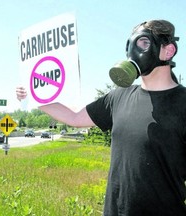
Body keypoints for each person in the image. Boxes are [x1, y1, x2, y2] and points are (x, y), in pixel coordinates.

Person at [16, 20, 186, 215]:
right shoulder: (119, 96)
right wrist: (34, 94)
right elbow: (75, 118)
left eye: (144, 43)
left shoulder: (183, 103)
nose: (134, 53)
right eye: (130, 45)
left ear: (168, 51)